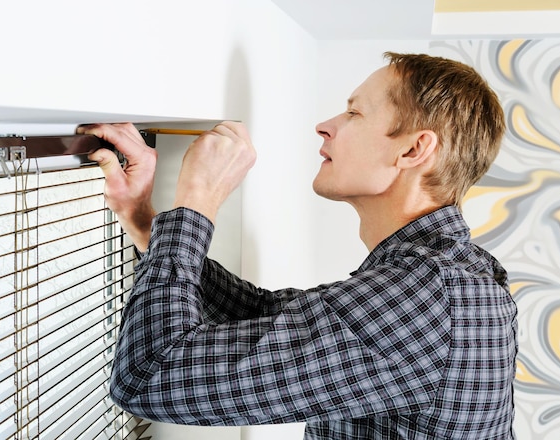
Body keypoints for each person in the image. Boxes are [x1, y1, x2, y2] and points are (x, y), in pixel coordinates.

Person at [78, 52, 517, 439]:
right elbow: (269, 316)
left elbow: (149, 378)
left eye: (354, 113)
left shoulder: (429, 296)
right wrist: (146, 224)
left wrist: (197, 201)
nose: (325, 126)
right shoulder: (446, 277)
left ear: (413, 150)